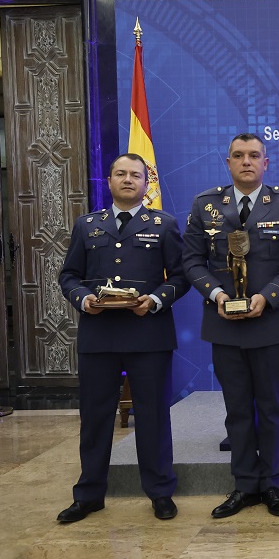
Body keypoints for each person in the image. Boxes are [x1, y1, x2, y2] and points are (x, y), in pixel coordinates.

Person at [182, 133, 279, 518]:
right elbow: (191, 261)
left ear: (266, 163)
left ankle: (272, 484)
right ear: (228, 163)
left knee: (271, 407)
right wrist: (217, 295)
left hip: (270, 322)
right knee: (237, 409)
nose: (246, 162)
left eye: (254, 155)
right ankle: (243, 485)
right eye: (238, 156)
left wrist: (267, 296)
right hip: (223, 323)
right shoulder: (205, 205)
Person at [57, 153, 190, 522]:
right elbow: (68, 276)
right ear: (110, 181)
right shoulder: (87, 226)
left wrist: (156, 300)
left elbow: (180, 277)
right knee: (95, 418)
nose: (128, 179)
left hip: (149, 335)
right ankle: (89, 494)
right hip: (98, 337)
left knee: (153, 417)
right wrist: (83, 299)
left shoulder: (163, 225)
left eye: (136, 174)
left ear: (147, 184)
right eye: (120, 174)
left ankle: (160, 492)